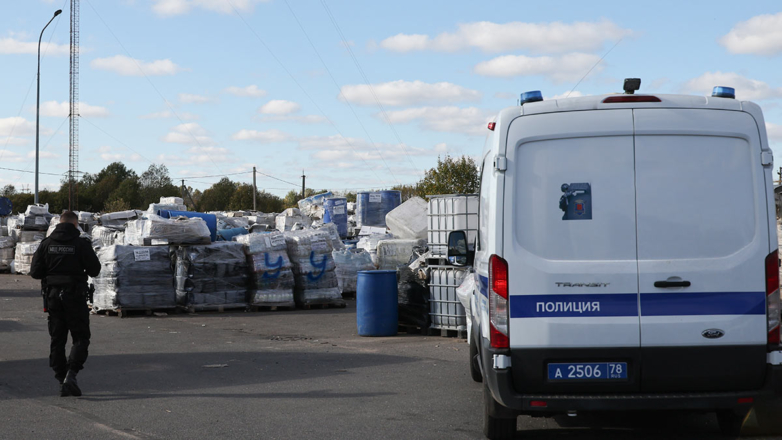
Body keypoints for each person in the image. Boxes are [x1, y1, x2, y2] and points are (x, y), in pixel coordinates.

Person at [30, 211, 101, 397]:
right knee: (80, 337)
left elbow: (35, 272)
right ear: (76, 224)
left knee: (57, 339)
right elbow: (95, 270)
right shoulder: (81, 244)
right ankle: (71, 374)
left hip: (53, 297)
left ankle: (61, 378)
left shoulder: (46, 244)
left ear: (59, 224)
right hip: (75, 297)